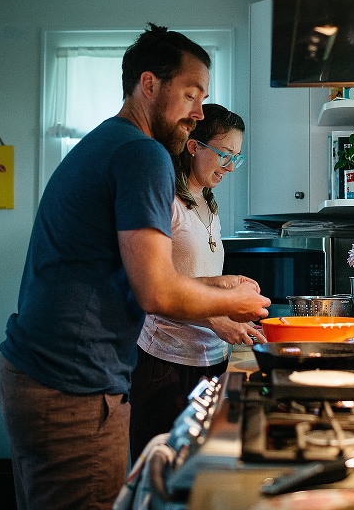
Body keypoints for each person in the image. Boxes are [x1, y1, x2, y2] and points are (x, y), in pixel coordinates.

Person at [0, 24, 269, 510]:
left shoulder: (111, 143)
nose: (198, 113)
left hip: (38, 373)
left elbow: (132, 271)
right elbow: (158, 294)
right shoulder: (143, 154)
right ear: (149, 84)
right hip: (73, 385)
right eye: (190, 94)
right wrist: (235, 301)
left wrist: (216, 282)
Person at [128, 103, 267, 461]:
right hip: (166, 363)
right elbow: (154, 288)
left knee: (201, 472)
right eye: (224, 154)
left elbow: (193, 276)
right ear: (194, 147)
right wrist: (214, 315)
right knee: (163, 471)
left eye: (237, 157)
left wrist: (228, 296)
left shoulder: (207, 201)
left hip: (212, 358)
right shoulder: (165, 201)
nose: (231, 167)